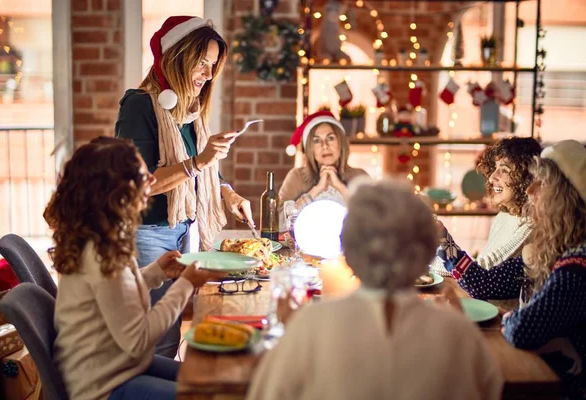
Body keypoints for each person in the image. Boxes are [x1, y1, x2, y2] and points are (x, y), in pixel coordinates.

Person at [247, 178, 503, 400]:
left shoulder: (309, 325)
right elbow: (489, 391)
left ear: (347, 249)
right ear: (425, 252)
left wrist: (290, 335)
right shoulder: (458, 332)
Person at [45, 137, 223, 400]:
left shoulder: (99, 237)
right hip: (103, 387)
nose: (152, 180)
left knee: (212, 385)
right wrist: (187, 283)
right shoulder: (103, 253)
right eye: (142, 175)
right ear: (116, 191)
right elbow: (139, 339)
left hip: (117, 368)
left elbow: (116, 294)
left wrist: (156, 272)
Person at [115, 16, 252, 357]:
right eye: (202, 63)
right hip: (147, 234)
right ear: (177, 57)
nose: (208, 75)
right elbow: (138, 184)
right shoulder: (140, 105)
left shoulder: (187, 111)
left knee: (170, 329)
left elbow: (202, 168)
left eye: (212, 65)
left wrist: (227, 191)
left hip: (177, 231)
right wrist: (199, 162)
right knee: (157, 337)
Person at [445, 140, 586, 398]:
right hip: (534, 370)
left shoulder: (577, 267)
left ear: (564, 197)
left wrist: (510, 319)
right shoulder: (547, 253)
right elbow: (489, 283)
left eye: (541, 183)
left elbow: (524, 329)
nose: (530, 191)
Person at [432, 137, 542, 277]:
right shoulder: (505, 215)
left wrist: (441, 242)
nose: (491, 178)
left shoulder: (530, 225)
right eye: (495, 168)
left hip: (483, 300)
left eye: (504, 170)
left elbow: (480, 272)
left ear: (525, 176)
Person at [279, 111, 368, 216]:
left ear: (341, 143)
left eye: (330, 138)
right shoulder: (297, 177)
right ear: (309, 149)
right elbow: (277, 221)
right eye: (316, 141)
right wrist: (316, 190)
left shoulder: (359, 176)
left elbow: (374, 217)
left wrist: (341, 188)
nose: (324, 146)